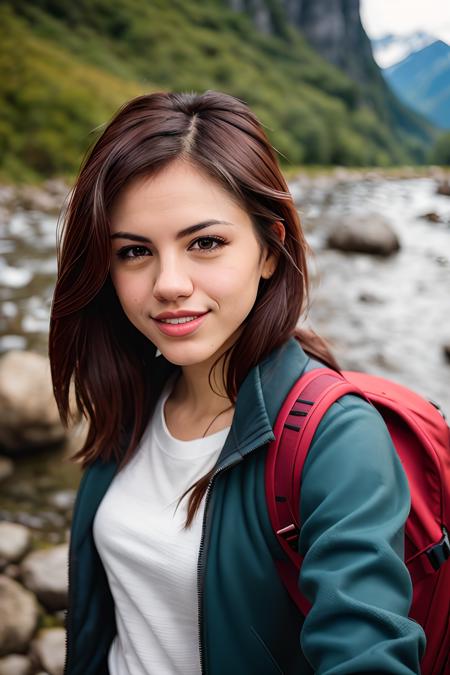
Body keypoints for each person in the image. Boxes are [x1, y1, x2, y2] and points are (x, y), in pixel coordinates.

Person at [49, 90, 426, 675]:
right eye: (133, 251)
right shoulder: (133, 392)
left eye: (205, 243)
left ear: (269, 251)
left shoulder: (336, 439)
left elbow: (368, 652)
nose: (168, 283)